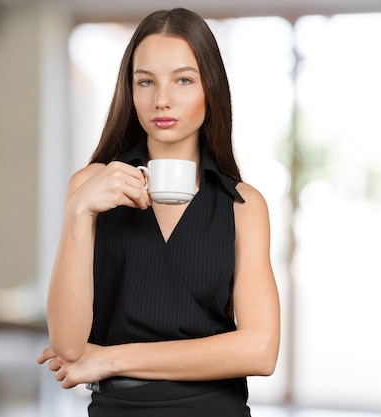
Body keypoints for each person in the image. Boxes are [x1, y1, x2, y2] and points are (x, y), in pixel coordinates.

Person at [37, 7, 280, 417]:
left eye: (183, 80)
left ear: (211, 89)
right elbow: (67, 344)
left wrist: (112, 358)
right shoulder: (90, 186)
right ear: (129, 91)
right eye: (145, 81)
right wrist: (80, 212)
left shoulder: (243, 204)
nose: (161, 99)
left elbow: (260, 350)